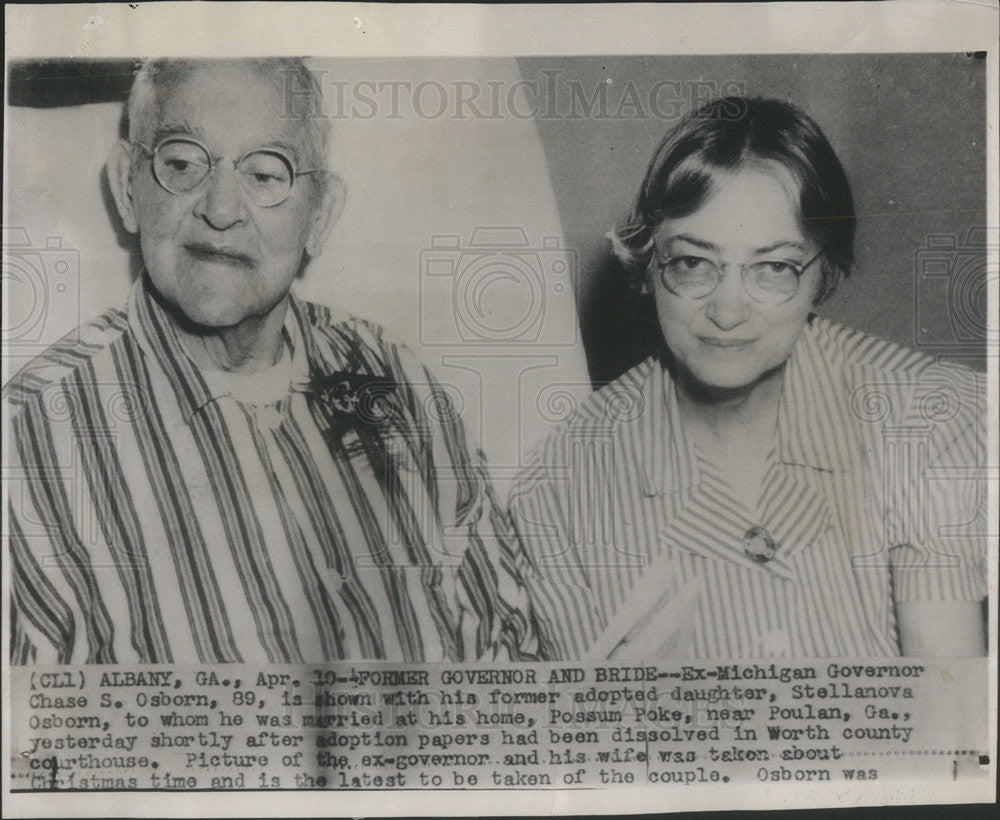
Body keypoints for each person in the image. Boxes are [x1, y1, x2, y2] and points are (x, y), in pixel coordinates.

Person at [6, 57, 536, 664]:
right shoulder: (30, 442)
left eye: (265, 174)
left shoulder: (395, 380)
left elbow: (514, 652)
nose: (222, 208)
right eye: (182, 163)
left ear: (320, 214)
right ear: (129, 185)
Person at [510, 96, 987, 659]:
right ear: (650, 265)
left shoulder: (926, 418)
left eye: (774, 267)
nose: (728, 311)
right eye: (692, 262)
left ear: (824, 274)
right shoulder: (560, 489)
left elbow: (947, 713)